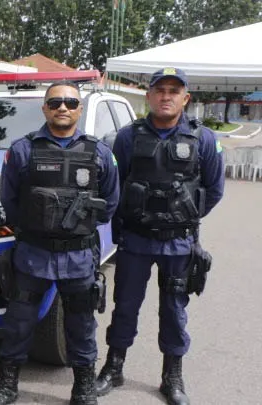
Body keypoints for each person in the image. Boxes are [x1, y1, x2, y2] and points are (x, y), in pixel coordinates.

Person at [95, 68, 225, 405]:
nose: (166, 96)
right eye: (160, 90)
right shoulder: (127, 137)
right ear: (149, 96)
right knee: (124, 306)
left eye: (173, 90)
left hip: (179, 243)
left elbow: (213, 190)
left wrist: (182, 217)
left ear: (186, 98)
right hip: (135, 240)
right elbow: (114, 184)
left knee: (174, 309)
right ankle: (114, 366)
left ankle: (172, 376)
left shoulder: (204, 139)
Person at [0, 82, 120, 405]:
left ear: (80, 109)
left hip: (78, 257)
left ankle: (84, 389)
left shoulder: (100, 153)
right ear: (45, 108)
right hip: (33, 254)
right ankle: (7, 385)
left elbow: (111, 202)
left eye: (71, 102)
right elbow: (10, 199)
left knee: (81, 324)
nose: (63, 107)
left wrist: (75, 230)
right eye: (56, 102)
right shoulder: (22, 150)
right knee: (19, 322)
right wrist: (37, 228)